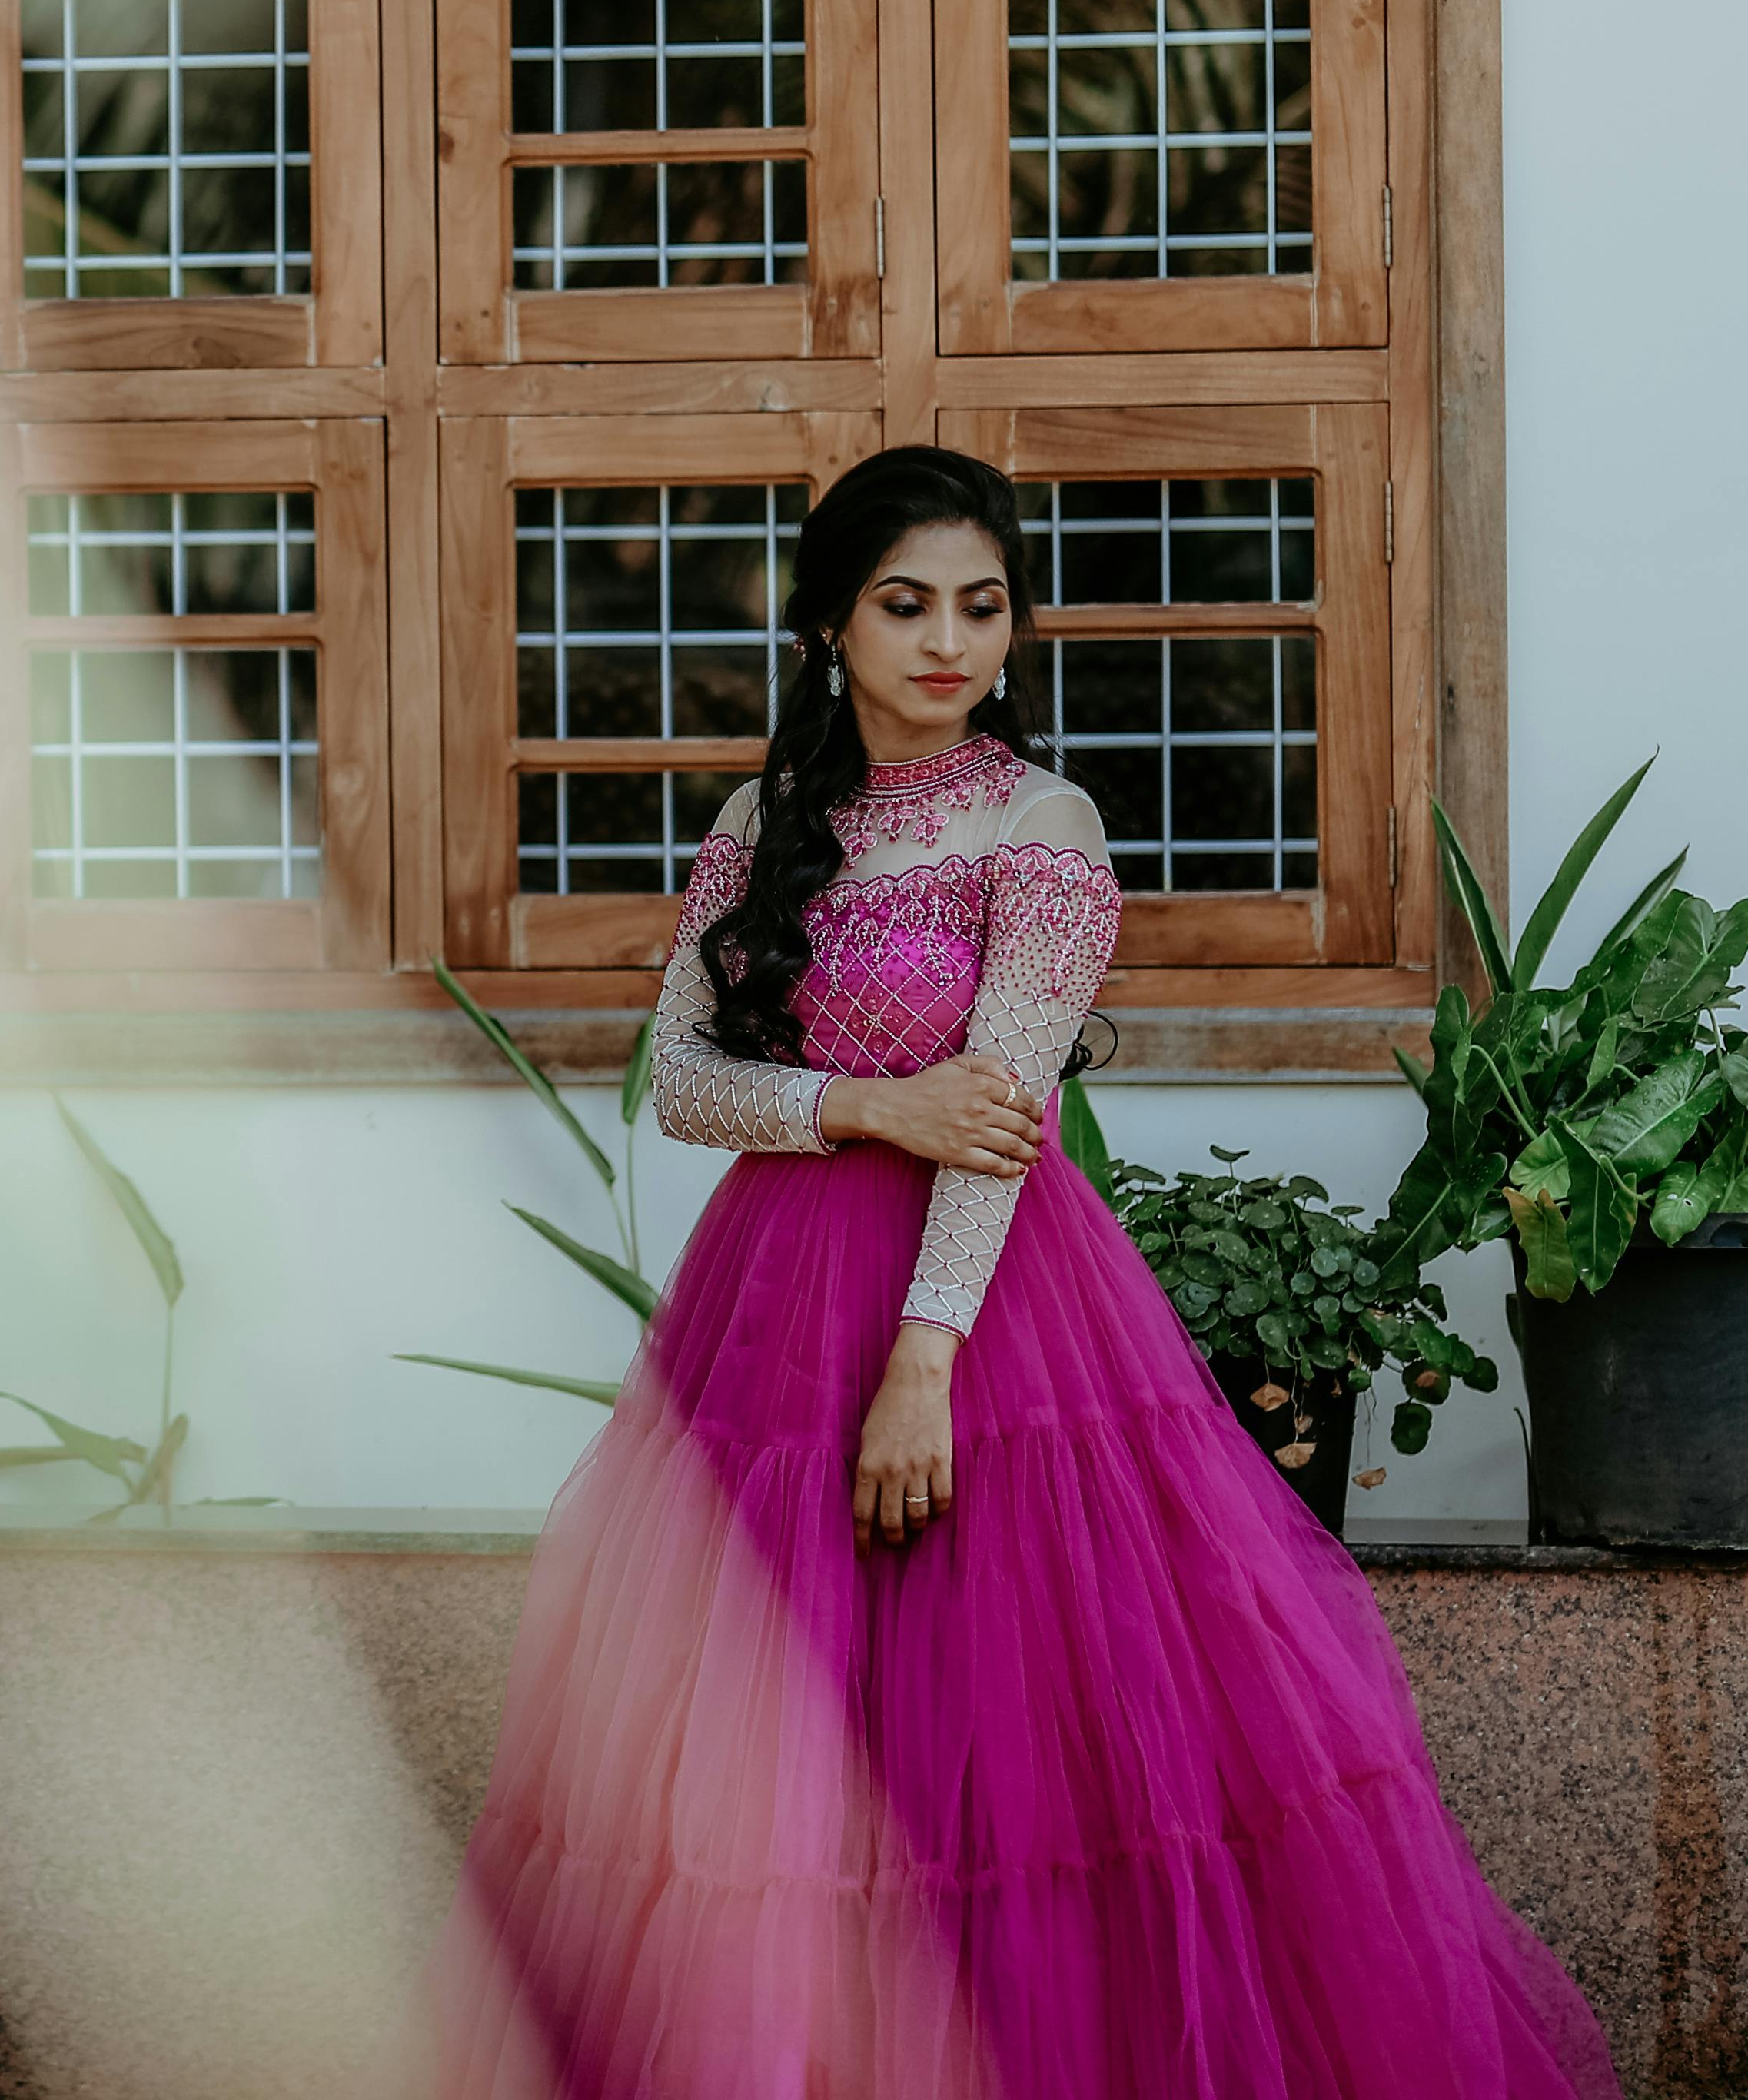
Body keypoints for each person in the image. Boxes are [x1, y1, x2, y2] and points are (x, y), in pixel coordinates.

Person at [436, 446, 1609, 2099]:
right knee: (776, 1733)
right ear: (830, 623)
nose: (947, 644)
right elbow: (683, 1078)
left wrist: (923, 1365)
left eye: (981, 608)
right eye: (905, 605)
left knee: (1023, 1742)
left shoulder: (1039, 824)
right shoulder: (758, 824)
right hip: (767, 1316)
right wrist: (861, 1102)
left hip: (990, 1321)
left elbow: (1002, 1121)